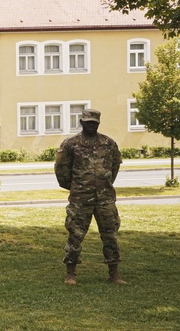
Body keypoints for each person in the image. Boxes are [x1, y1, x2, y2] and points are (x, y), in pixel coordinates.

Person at [54, 108, 126, 285]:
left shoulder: (109, 144)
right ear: (81, 123)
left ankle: (114, 273)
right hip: (80, 198)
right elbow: (61, 169)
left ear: (98, 123)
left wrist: (105, 184)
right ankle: (71, 274)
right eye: (88, 123)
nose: (91, 125)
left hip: (105, 199)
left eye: (94, 122)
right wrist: (73, 186)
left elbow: (115, 166)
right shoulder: (70, 144)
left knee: (110, 235)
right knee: (75, 235)